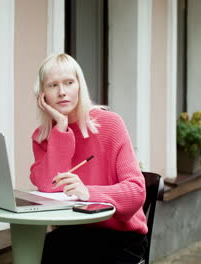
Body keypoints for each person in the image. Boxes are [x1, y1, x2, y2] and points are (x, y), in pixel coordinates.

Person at [30, 53, 148, 263]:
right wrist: (61, 127)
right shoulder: (43, 137)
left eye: (68, 83)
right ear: (42, 95)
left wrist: (88, 192)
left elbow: (137, 191)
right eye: (53, 85)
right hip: (77, 232)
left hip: (121, 237)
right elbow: (50, 185)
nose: (62, 92)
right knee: (41, 252)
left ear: (79, 86)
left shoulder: (110, 124)